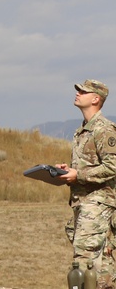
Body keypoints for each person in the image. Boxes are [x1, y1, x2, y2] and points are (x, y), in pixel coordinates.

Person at [55, 79, 116, 287]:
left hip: (97, 203)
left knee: (83, 262)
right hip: (83, 202)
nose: (78, 93)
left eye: (83, 91)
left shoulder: (104, 129)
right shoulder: (82, 131)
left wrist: (78, 174)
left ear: (96, 99)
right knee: (98, 266)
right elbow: (88, 165)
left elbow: (113, 166)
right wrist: (67, 171)